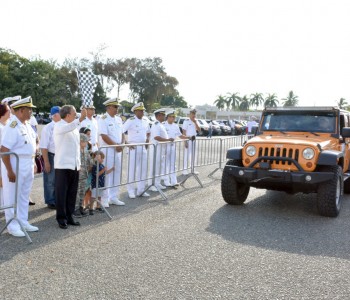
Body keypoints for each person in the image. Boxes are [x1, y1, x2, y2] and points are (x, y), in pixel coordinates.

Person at [1, 96, 39, 237]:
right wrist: (10, 170)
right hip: (15, 164)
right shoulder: (12, 126)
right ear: (21, 110)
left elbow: (30, 147)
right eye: (29, 109)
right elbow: (4, 150)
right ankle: (12, 225)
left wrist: (33, 162)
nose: (31, 112)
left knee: (24, 194)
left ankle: (23, 221)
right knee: (12, 195)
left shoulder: (26, 125)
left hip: (27, 163)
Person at [54, 105, 87, 229]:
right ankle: (61, 218)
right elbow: (68, 127)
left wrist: (78, 164)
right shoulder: (59, 125)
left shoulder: (73, 126)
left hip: (74, 165)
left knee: (72, 193)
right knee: (61, 193)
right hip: (62, 165)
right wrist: (81, 119)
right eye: (74, 113)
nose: (76, 115)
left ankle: (69, 215)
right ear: (67, 115)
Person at [98, 98, 125, 206]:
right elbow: (104, 136)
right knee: (107, 174)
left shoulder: (119, 119)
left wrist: (122, 144)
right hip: (108, 150)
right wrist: (115, 146)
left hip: (117, 150)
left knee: (116, 173)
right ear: (108, 107)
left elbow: (122, 133)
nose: (117, 109)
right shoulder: (103, 119)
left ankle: (114, 197)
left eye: (117, 107)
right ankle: (104, 199)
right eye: (115, 107)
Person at [123, 102, 151, 199]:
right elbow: (121, 131)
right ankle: (131, 190)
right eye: (140, 110)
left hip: (143, 147)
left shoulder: (146, 120)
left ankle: (141, 190)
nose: (142, 112)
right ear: (135, 111)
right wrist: (126, 143)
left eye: (143, 110)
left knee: (143, 170)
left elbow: (148, 132)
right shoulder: (130, 120)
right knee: (132, 170)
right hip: (133, 147)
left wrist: (147, 140)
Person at [39, 106, 61, 209]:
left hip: (60, 156)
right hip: (51, 155)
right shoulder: (48, 128)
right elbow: (44, 146)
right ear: (55, 115)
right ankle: (50, 200)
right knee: (50, 180)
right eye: (61, 113)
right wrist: (46, 162)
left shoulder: (63, 125)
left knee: (59, 179)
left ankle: (57, 198)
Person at [148, 108, 174, 191]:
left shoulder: (161, 124)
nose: (165, 116)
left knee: (159, 167)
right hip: (156, 149)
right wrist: (168, 140)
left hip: (161, 149)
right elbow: (156, 137)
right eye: (163, 115)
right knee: (154, 167)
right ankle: (151, 184)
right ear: (158, 116)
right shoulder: (156, 124)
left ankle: (157, 183)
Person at [163, 110, 188, 187]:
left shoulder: (175, 126)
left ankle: (174, 181)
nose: (173, 118)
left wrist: (188, 137)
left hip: (173, 146)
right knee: (166, 164)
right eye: (172, 117)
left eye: (174, 117)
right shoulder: (163, 125)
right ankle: (166, 181)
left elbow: (180, 136)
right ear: (168, 117)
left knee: (173, 164)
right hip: (165, 146)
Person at [89, 150, 114, 215]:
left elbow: (105, 173)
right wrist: (103, 170)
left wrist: (111, 169)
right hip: (95, 184)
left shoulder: (102, 165)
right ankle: (91, 208)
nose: (102, 160)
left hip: (101, 184)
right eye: (101, 158)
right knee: (93, 196)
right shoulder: (95, 166)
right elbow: (97, 174)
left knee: (99, 196)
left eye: (102, 158)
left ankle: (98, 206)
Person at [74, 133, 93, 217]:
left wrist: (91, 165)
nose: (86, 143)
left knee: (82, 192)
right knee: (77, 192)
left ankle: (81, 207)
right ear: (80, 141)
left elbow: (89, 161)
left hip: (84, 175)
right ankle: (75, 209)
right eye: (85, 142)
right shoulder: (76, 151)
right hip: (78, 175)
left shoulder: (85, 151)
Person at [182, 109, 200, 175]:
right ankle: (185, 170)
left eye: (194, 113)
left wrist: (195, 122)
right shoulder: (186, 121)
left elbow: (199, 130)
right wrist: (185, 141)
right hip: (188, 139)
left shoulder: (196, 121)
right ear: (189, 114)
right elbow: (184, 131)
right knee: (187, 155)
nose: (193, 115)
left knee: (194, 155)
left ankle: (193, 169)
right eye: (192, 113)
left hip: (194, 139)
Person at [0, 102, 11, 210]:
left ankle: (4, 205)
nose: (10, 112)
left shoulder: (8, 125)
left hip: (6, 158)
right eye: (8, 110)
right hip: (1, 157)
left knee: (4, 182)